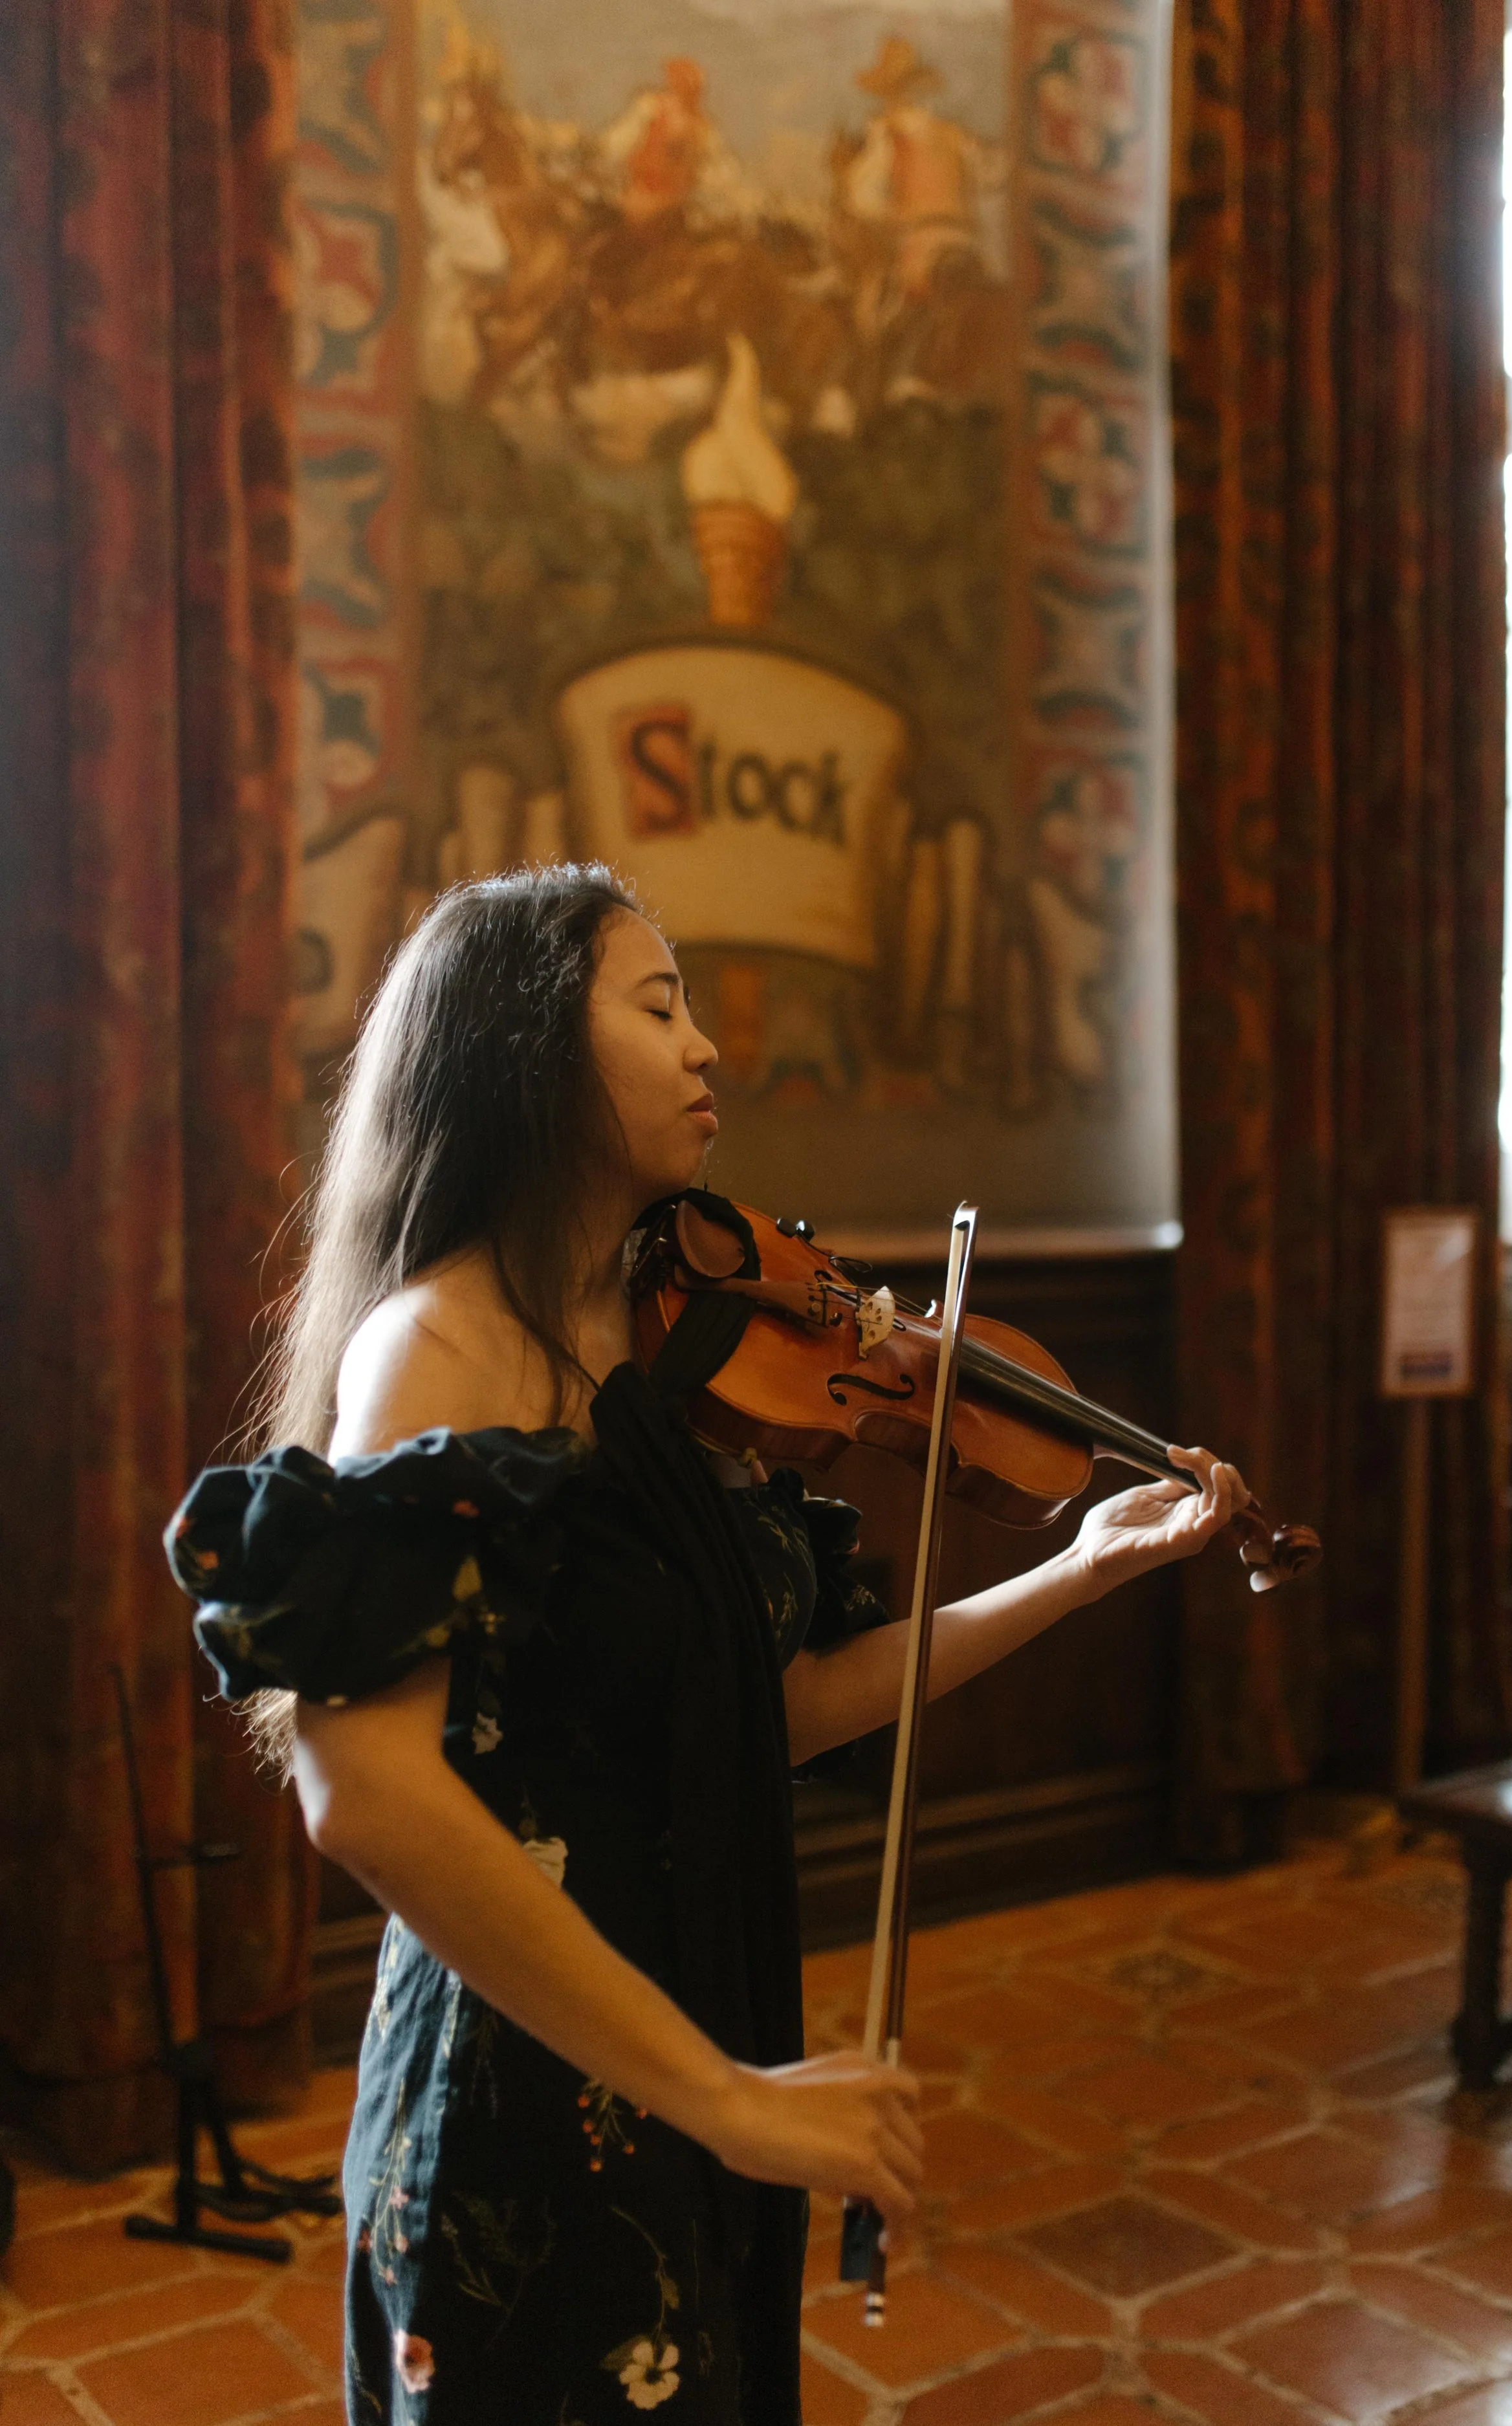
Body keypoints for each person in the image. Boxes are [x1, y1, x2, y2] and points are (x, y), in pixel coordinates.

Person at [166, 864, 1251, 2424]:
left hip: (694, 2026)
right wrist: (725, 2101)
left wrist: (1077, 1570)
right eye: (655, 1004)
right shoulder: (438, 1347)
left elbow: (779, 1705)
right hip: (531, 2096)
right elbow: (368, 1796)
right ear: (528, 1043)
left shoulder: (648, 1355)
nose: (705, 1051)